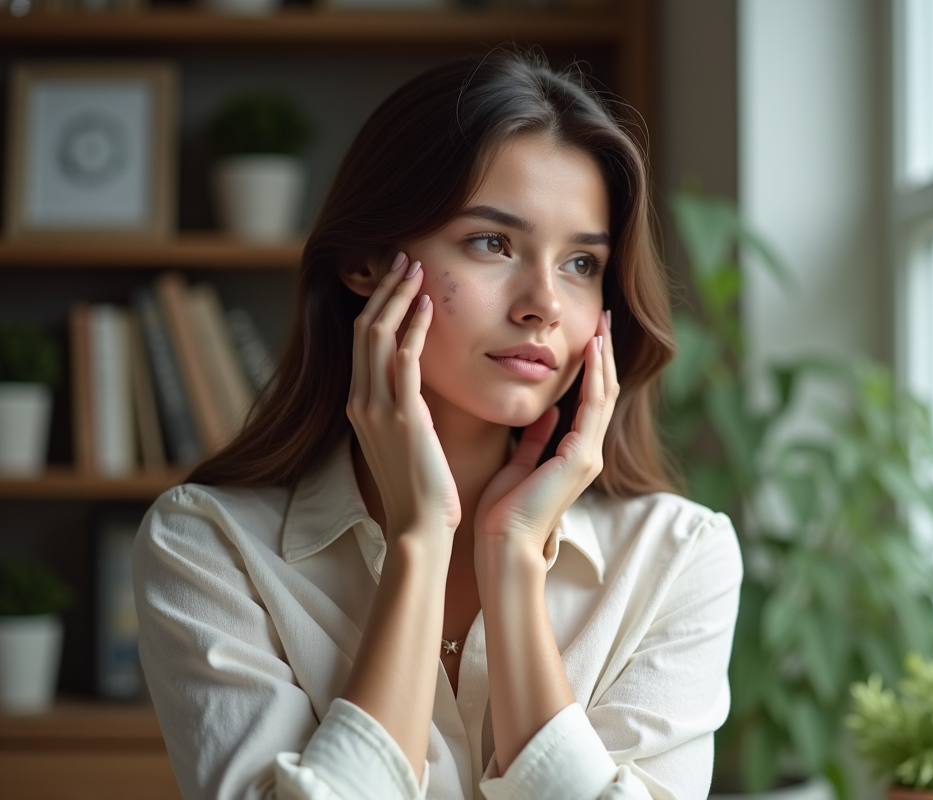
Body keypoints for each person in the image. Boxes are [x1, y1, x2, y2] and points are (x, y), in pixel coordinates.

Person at [133, 51, 742, 800]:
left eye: (582, 263)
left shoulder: (677, 557)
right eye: (493, 243)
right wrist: (419, 542)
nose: (544, 304)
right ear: (367, 262)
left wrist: (514, 565)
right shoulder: (210, 547)